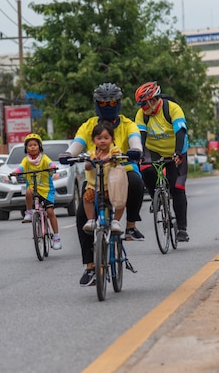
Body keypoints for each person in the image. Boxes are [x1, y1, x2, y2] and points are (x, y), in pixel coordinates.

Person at [59, 83, 144, 287]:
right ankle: (90, 267)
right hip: (95, 175)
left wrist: (135, 150)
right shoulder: (88, 125)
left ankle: (130, 225)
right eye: (104, 102)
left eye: (112, 102)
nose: (108, 105)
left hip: (120, 171)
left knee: (136, 182)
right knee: (82, 216)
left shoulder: (127, 124)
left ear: (119, 103)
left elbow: (135, 140)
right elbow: (77, 144)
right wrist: (69, 155)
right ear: (97, 104)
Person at [134, 82, 190, 243]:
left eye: (144, 103)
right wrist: (139, 154)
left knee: (177, 187)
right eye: (140, 104)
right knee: (146, 169)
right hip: (153, 149)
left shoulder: (172, 108)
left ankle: (182, 229)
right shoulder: (142, 114)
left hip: (176, 149)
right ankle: (155, 198)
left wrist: (178, 152)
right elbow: (141, 135)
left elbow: (180, 131)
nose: (142, 107)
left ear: (154, 99)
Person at [10, 133, 62, 250]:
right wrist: (16, 172)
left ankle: (56, 237)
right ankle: (29, 212)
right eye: (30, 145)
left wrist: (52, 167)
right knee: (28, 192)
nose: (32, 147)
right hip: (33, 188)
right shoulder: (26, 160)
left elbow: (50, 163)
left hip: (46, 189)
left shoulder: (44, 158)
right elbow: (21, 167)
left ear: (39, 146)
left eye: (35, 145)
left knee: (50, 212)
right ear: (26, 148)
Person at [82, 121, 125, 234]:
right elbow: (86, 167)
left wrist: (110, 158)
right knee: (86, 198)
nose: (102, 141)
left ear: (112, 139)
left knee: (121, 200)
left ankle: (116, 221)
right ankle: (91, 220)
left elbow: (117, 157)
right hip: (94, 187)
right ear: (93, 140)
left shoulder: (114, 150)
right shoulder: (91, 154)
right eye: (99, 138)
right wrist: (91, 161)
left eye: (106, 138)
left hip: (112, 188)